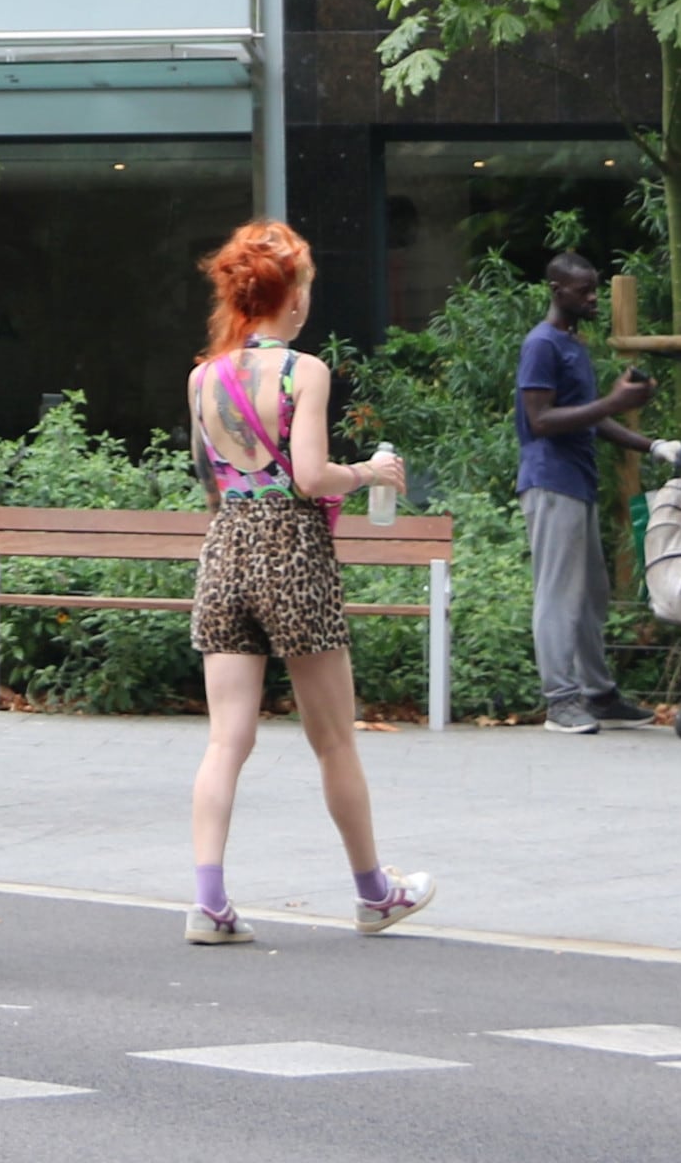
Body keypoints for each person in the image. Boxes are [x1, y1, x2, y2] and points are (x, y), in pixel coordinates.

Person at [183, 221, 428, 947]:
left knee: (226, 740)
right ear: (289, 297)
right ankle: (372, 893)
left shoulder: (203, 376)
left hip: (226, 549)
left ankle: (209, 902)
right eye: (308, 286)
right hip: (293, 552)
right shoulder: (303, 372)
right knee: (333, 740)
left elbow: (209, 485)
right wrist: (370, 474)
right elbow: (313, 474)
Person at [517, 249, 664, 733]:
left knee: (590, 595)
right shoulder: (541, 344)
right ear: (558, 291)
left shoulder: (571, 343)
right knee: (558, 595)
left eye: (595, 288)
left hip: (576, 482)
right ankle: (560, 701)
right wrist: (612, 400)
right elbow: (541, 421)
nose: (593, 297)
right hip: (550, 481)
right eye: (584, 291)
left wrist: (654, 446)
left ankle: (598, 695)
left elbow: (591, 418)